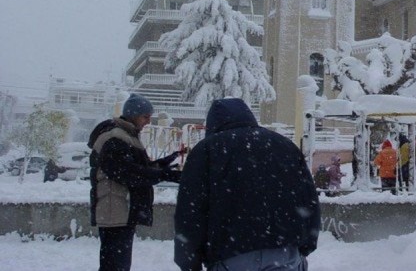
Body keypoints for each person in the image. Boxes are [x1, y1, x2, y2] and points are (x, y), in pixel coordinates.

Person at [174, 98, 320, 271]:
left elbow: (190, 212)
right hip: (284, 253)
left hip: (230, 256)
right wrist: (306, 244)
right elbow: (308, 199)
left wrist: (189, 261)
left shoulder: (206, 151)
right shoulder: (284, 146)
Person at [88, 94, 183, 271]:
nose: (148, 121)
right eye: (145, 116)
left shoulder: (128, 136)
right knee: (115, 266)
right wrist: (164, 175)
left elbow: (138, 168)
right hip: (114, 211)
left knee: (117, 265)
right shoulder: (115, 137)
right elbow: (126, 172)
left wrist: (165, 163)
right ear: (133, 114)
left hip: (121, 211)